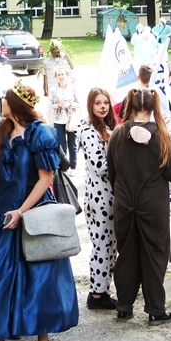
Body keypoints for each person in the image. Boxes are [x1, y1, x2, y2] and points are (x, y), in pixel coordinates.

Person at [0, 81, 78, 341]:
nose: (2, 102)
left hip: (33, 210)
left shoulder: (41, 133)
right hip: (1, 210)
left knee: (40, 276)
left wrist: (21, 212)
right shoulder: (3, 130)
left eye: (6, 99)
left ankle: (43, 336)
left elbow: (46, 179)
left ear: (15, 104)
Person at [107, 88, 171, 324]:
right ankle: (155, 310)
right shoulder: (163, 135)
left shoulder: (117, 134)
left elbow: (112, 173)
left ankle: (124, 306)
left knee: (126, 254)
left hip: (125, 203)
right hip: (153, 205)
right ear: (152, 106)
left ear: (130, 104)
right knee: (154, 256)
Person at [78, 88, 117, 310]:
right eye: (98, 103)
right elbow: (100, 166)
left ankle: (102, 290)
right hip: (99, 196)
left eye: (106, 103)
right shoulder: (89, 131)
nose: (102, 107)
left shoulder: (105, 128)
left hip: (108, 194)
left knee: (110, 245)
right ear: (90, 105)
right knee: (102, 244)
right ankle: (97, 294)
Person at [49, 67, 79, 173]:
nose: (61, 77)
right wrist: (59, 105)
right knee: (61, 145)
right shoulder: (53, 89)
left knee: (72, 144)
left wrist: (69, 104)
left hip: (71, 119)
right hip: (58, 120)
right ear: (56, 77)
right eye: (59, 75)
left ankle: (73, 166)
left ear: (67, 75)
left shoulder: (73, 88)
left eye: (63, 74)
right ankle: (64, 167)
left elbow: (78, 103)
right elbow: (50, 104)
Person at [42, 39, 74, 124]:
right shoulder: (47, 62)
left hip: (65, 87)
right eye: (53, 52)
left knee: (66, 106)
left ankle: (68, 123)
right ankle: (54, 123)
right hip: (53, 87)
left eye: (56, 51)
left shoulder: (64, 58)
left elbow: (72, 68)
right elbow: (45, 75)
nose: (55, 53)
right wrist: (45, 88)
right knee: (54, 107)